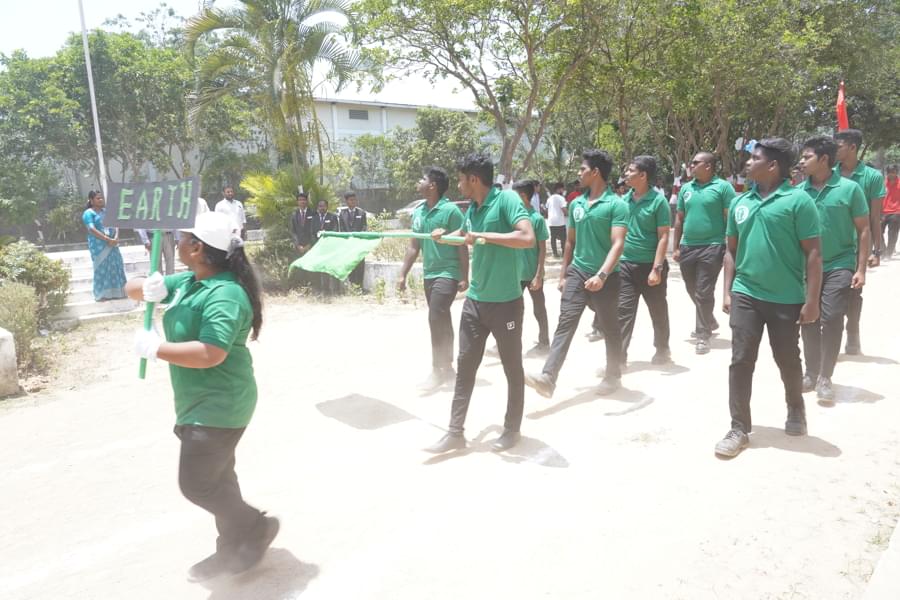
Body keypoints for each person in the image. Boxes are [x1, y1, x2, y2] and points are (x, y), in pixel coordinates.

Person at [127, 211, 278, 580]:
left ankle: (256, 526)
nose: (176, 243)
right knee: (221, 479)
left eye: (181, 239)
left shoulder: (225, 293)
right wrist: (146, 287)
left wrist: (156, 349)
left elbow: (212, 352)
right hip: (198, 400)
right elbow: (133, 289)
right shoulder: (192, 280)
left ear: (197, 247)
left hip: (222, 402)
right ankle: (233, 550)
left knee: (197, 484)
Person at [715, 138, 822, 458]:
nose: (748, 163)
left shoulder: (798, 202)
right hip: (746, 293)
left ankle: (795, 408)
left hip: (786, 298)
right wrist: (728, 290)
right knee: (740, 359)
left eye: (754, 158)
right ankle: (738, 427)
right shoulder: (740, 202)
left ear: (773, 165)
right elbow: (730, 251)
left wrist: (812, 300)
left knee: (787, 359)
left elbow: (814, 253)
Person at [426, 152, 535, 454]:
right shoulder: (472, 207)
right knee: (465, 367)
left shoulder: (507, 200)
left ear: (473, 179)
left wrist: (482, 235)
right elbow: (462, 236)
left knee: (512, 368)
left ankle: (511, 429)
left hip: (506, 303)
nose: (458, 185)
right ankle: (455, 432)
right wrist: (442, 237)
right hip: (475, 302)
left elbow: (526, 237)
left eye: (461, 179)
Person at [524, 149, 628, 399]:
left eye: (582, 169)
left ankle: (613, 375)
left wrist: (602, 275)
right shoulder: (578, 203)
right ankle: (548, 377)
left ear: (595, 172)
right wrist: (563, 274)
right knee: (566, 322)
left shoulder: (617, 204)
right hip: (578, 272)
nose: (578, 173)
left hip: (607, 277)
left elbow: (618, 244)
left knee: (610, 327)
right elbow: (570, 242)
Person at [797, 136, 869, 403]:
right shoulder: (797, 192)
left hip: (840, 263)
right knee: (808, 317)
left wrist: (860, 268)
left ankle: (826, 376)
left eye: (807, 157)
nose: (802, 162)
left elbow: (863, 230)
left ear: (824, 159)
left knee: (832, 317)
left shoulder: (850, 189)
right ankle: (811, 371)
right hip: (806, 267)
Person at [398, 167, 469, 392]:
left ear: (433, 186)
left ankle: (437, 370)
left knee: (435, 315)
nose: (418, 182)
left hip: (448, 273)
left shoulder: (450, 211)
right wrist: (402, 274)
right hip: (429, 273)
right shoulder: (419, 212)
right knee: (441, 318)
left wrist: (464, 276)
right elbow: (413, 246)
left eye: (422, 179)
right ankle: (448, 368)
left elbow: (462, 244)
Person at [672, 152, 735, 354]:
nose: (691, 165)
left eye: (695, 162)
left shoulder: (723, 187)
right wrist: (676, 246)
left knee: (703, 290)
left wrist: (730, 246)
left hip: (713, 246)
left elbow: (731, 218)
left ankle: (703, 335)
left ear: (708, 166)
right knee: (692, 288)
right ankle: (709, 319)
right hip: (688, 246)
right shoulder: (686, 189)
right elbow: (680, 218)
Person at [835, 129, 886, 354]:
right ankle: (829, 339)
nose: (835, 150)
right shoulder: (829, 173)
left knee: (853, 293)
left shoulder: (872, 177)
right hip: (830, 244)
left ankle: (852, 331)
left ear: (852, 147)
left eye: (839, 146)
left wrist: (876, 249)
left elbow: (876, 217)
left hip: (857, 246)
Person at [617, 156, 672, 366]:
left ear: (643, 175)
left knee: (657, 310)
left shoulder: (658, 202)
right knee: (623, 312)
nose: (626, 174)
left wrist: (656, 269)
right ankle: (619, 358)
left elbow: (663, 237)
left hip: (651, 266)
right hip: (625, 265)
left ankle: (662, 348)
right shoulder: (623, 201)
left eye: (630, 171)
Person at [513, 179, 551, 355]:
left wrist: (538, 274)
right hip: (514, 274)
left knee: (538, 308)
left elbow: (542, 249)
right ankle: (507, 342)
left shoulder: (536, 219)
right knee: (511, 309)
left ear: (522, 196)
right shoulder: (513, 218)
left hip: (531, 272)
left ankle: (544, 342)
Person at [82, 190, 127, 301]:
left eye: (101, 198)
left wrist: (116, 237)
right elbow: (91, 229)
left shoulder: (106, 211)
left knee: (115, 266)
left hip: (113, 244)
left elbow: (115, 224)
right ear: (91, 200)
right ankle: (101, 294)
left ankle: (118, 293)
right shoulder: (89, 213)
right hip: (99, 246)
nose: (101, 200)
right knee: (102, 268)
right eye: (98, 198)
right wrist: (107, 239)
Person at [339, 192, 368, 287]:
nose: (353, 202)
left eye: (355, 200)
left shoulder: (361, 213)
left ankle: (359, 286)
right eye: (351, 200)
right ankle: (352, 285)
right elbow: (342, 228)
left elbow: (364, 227)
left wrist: (358, 238)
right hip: (348, 244)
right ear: (346, 201)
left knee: (360, 264)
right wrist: (348, 239)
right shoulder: (342, 213)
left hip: (358, 243)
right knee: (350, 264)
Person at [312, 199, 340, 294]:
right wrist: (317, 244)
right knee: (320, 269)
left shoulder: (333, 217)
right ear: (317, 207)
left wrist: (327, 243)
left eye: (323, 206)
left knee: (331, 269)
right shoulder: (314, 218)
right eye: (320, 206)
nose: (321, 208)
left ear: (327, 207)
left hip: (329, 248)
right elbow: (311, 233)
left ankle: (335, 290)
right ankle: (322, 290)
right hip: (318, 248)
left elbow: (335, 231)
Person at [881, 166, 900, 259]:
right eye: (889, 172)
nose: (891, 174)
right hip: (882, 212)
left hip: (896, 212)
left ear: (896, 172)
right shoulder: (882, 183)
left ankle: (889, 252)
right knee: (877, 231)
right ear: (887, 173)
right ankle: (883, 250)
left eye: (893, 172)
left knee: (893, 234)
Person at [545, 182, 568, 258]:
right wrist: (567, 214)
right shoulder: (561, 198)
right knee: (563, 238)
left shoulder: (549, 198)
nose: (563, 190)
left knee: (553, 237)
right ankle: (564, 252)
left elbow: (546, 209)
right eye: (562, 189)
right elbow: (564, 209)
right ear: (559, 189)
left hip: (551, 221)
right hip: (560, 221)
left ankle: (555, 253)